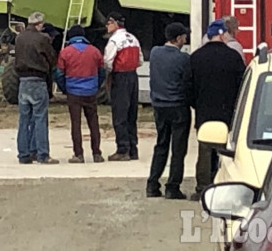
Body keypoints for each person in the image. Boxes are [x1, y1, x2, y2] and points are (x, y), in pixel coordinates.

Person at [189, 18, 246, 201]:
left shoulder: (196, 57)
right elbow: (242, 85)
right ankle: (224, 187)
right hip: (227, 111)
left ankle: (203, 188)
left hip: (204, 110)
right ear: (222, 35)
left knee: (204, 149)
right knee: (226, 150)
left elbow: (187, 87)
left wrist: (196, 104)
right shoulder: (233, 57)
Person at [146, 22, 192, 200]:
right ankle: (172, 186)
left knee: (161, 145)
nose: (185, 39)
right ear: (179, 38)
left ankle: (152, 183)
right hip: (178, 106)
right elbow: (187, 83)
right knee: (178, 149)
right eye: (184, 36)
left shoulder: (155, 53)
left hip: (159, 105)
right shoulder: (183, 59)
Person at [53, 25, 106, 164]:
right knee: (93, 122)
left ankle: (79, 154)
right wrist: (96, 85)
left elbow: (59, 74)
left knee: (75, 123)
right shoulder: (94, 51)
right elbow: (102, 72)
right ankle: (97, 153)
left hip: (73, 92)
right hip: (91, 92)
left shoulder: (66, 52)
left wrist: (64, 88)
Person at [15, 11, 58, 164]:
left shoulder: (19, 38)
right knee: (40, 118)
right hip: (38, 81)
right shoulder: (43, 39)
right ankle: (42, 154)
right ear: (39, 24)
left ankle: (24, 154)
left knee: (24, 120)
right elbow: (52, 58)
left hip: (23, 81)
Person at [103, 11, 143, 161]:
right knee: (131, 114)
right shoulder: (133, 39)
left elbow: (108, 61)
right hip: (133, 76)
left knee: (120, 115)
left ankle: (122, 149)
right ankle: (133, 148)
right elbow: (140, 61)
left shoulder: (114, 41)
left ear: (114, 23)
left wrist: (109, 74)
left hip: (120, 76)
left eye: (108, 23)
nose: (106, 26)